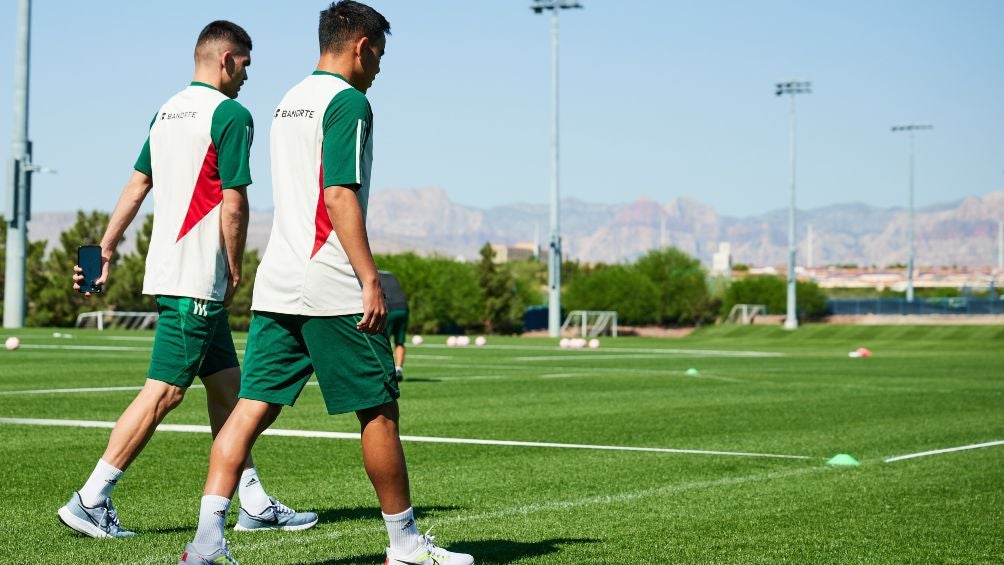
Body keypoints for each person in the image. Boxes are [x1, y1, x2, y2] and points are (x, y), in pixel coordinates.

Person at [178, 3, 474, 564]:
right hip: (332, 282)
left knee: (248, 410)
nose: (381, 69)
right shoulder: (350, 102)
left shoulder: (287, 100)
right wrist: (370, 280)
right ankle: (405, 544)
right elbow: (338, 195)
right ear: (362, 45)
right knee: (379, 410)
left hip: (278, 281)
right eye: (380, 55)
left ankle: (206, 543)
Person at [60, 20, 316, 540]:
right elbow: (234, 202)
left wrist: (106, 247)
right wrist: (236, 267)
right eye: (245, 63)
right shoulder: (230, 114)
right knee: (164, 393)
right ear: (226, 58)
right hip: (199, 280)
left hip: (171, 275)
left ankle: (253, 501)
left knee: (229, 391)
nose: (247, 74)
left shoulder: (166, 110)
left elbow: (137, 184)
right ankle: (91, 497)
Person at [379, 271, 409, 381]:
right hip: (403, 307)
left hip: (390, 308)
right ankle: (399, 368)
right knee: (399, 341)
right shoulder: (390, 275)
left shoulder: (370, 275)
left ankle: (386, 371)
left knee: (382, 340)